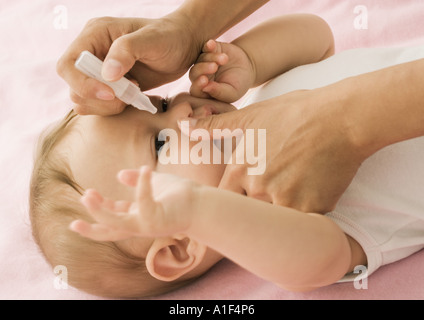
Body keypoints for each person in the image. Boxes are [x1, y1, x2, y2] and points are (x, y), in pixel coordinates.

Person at [56, 0, 424, 216]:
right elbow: (316, 266)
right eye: (160, 145)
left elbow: (318, 38)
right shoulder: (279, 205)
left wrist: (251, 59)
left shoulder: (261, 102)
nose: (181, 109)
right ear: (179, 245)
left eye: (163, 103)